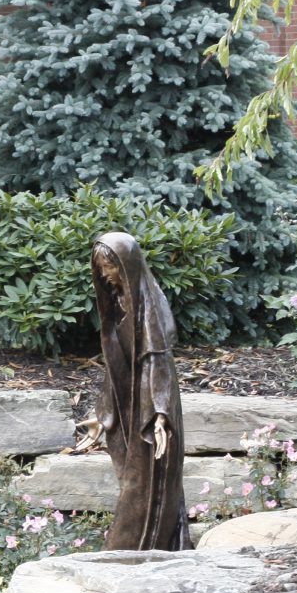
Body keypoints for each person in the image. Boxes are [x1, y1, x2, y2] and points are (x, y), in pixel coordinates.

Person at [92, 231, 186, 550]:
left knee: (145, 486)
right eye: (101, 268)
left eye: (111, 267)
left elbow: (158, 364)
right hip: (131, 406)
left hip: (151, 409)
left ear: (127, 265)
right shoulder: (119, 303)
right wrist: (103, 417)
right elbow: (115, 367)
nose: (106, 274)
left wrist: (161, 414)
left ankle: (128, 552)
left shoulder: (149, 310)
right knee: (135, 483)